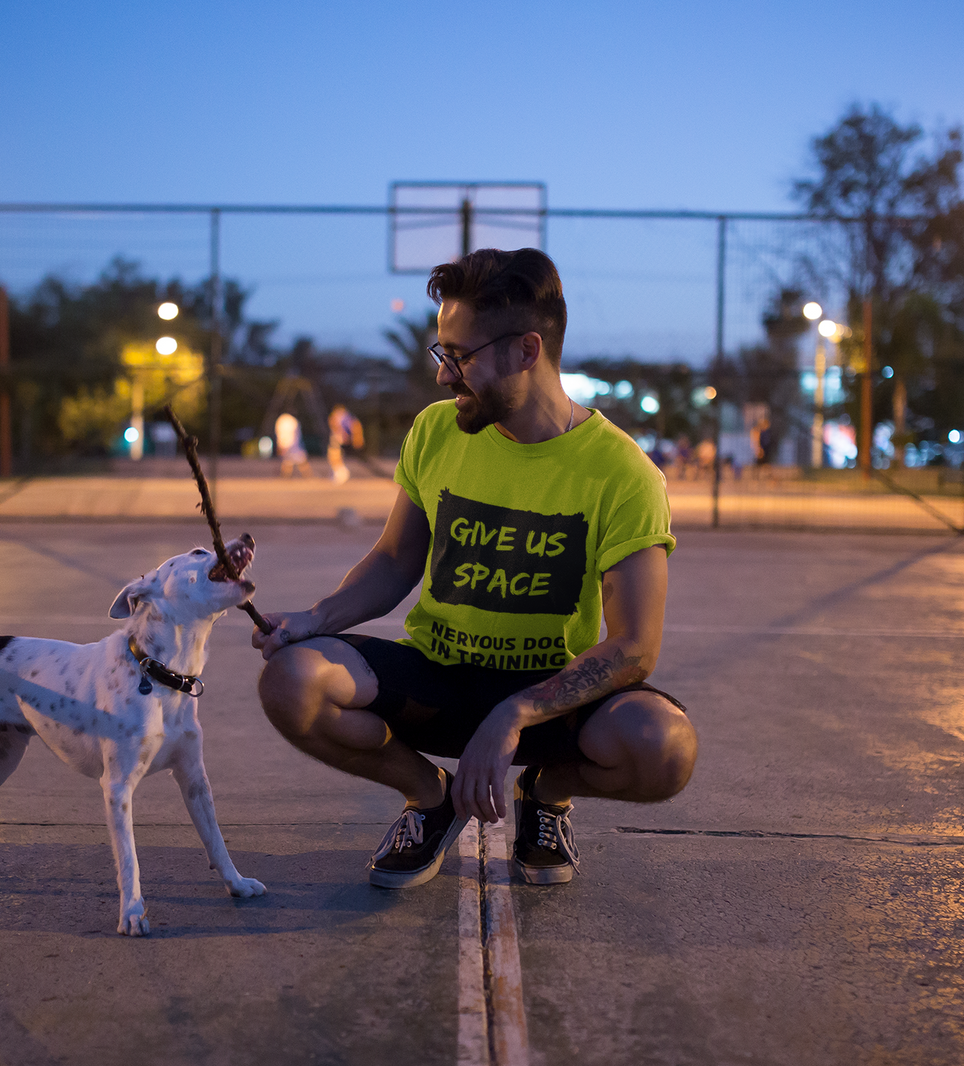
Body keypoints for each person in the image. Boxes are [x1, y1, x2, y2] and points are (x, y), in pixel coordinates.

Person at [253, 248, 697, 889]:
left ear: (527, 350)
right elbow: (394, 559)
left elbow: (634, 648)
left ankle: (546, 795)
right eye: (442, 353)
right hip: (441, 676)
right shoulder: (437, 431)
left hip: (548, 695)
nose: (443, 376)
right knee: (292, 680)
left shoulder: (624, 475)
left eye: (459, 357)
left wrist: (515, 714)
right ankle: (429, 798)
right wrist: (314, 618)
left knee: (666, 749)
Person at [326, 403, 365, 485]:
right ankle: (340, 473)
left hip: (339, 437)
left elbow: (354, 425)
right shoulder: (347, 416)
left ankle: (342, 473)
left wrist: (356, 438)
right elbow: (356, 425)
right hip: (340, 437)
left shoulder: (341, 416)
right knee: (335, 456)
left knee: (333, 456)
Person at [274, 412, 313, 478]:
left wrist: (281, 445)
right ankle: (308, 477)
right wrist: (285, 445)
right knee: (293, 461)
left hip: (289, 445)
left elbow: (280, 434)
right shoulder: (291, 421)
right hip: (292, 445)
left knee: (289, 461)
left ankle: (286, 478)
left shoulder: (281, 420)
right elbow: (292, 436)